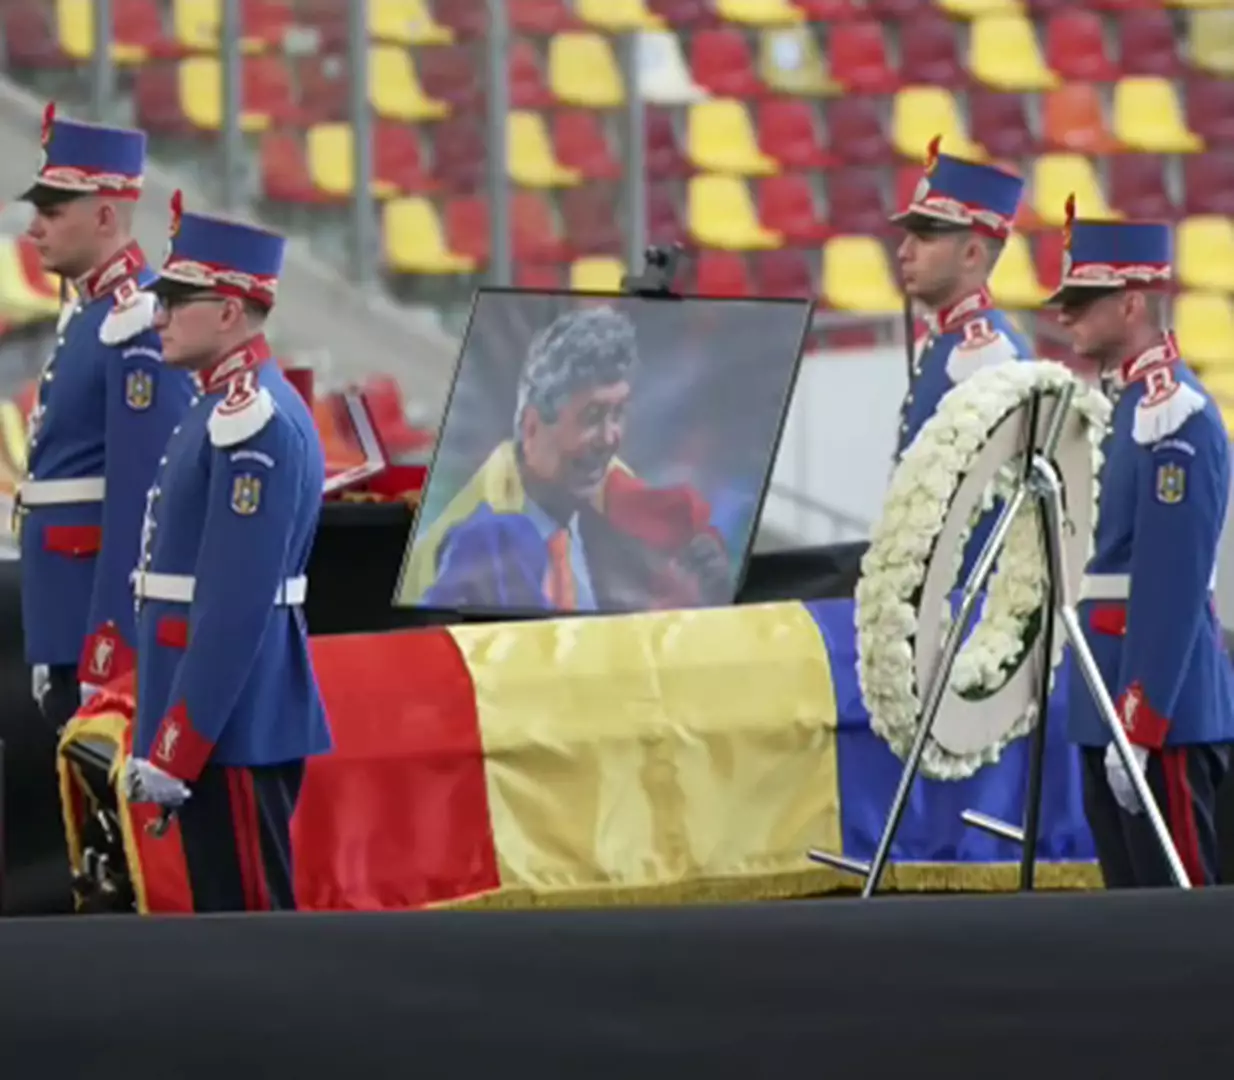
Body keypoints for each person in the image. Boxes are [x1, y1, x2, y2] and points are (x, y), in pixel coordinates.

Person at [123, 191, 330, 912]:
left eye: (178, 300)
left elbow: (235, 605)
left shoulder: (252, 421)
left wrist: (181, 740)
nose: (158, 316)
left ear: (229, 312)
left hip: (232, 722)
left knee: (249, 925)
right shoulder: (216, 406)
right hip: (211, 713)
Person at [1048, 199, 1234, 888]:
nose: (1065, 314)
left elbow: (1171, 582)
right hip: (1109, 701)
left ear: (1130, 304)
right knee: (1132, 927)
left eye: (1083, 298)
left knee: (1181, 926)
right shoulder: (1125, 404)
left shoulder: (1171, 414)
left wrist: (1141, 720)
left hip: (1159, 711)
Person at [18, 101, 195, 730]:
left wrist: (110, 644)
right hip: (66, 621)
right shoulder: (94, 317)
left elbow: (141, 499)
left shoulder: (137, 323)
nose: (34, 227)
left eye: (51, 210)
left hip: (99, 630)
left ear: (103, 214)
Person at [400, 304, 730, 612]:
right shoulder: (483, 542)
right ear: (532, 428)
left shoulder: (605, 491)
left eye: (618, 413)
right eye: (592, 416)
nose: (609, 437)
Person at [890, 136, 1036, 585]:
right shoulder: (950, 340)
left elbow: (988, 509)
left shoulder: (986, 354)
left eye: (925, 237)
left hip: (961, 604)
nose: (903, 252)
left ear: (972, 254)